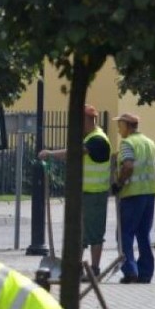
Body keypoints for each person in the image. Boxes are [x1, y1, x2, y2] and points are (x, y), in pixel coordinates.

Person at [38, 104, 112, 278]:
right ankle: (76, 269)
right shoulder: (88, 139)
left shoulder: (97, 140)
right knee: (79, 234)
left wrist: (51, 153)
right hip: (84, 194)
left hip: (94, 195)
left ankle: (93, 269)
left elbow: (75, 153)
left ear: (88, 120)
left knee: (93, 234)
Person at [111, 113, 155, 284]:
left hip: (133, 194)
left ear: (127, 126)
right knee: (143, 233)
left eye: (120, 125)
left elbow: (128, 165)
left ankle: (130, 271)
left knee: (124, 233)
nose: (118, 129)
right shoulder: (149, 143)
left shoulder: (127, 143)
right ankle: (146, 272)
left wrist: (118, 183)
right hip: (150, 192)